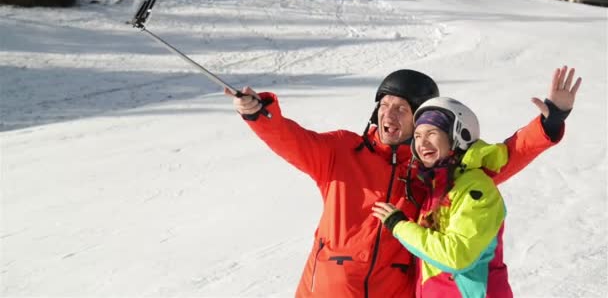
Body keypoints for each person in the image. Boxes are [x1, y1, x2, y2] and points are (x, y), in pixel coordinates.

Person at [226, 66, 580, 297]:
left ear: (421, 120)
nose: (388, 114)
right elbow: (292, 140)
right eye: (384, 104)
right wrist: (260, 115)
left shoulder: (432, 166)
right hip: (331, 288)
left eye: (401, 109)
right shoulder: (342, 150)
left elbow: (498, 159)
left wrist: (547, 126)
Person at [372, 97, 509, 298]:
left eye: (432, 133)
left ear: (457, 136)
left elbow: (457, 256)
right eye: (417, 136)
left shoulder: (476, 189)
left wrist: (400, 225)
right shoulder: (437, 188)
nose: (422, 143)